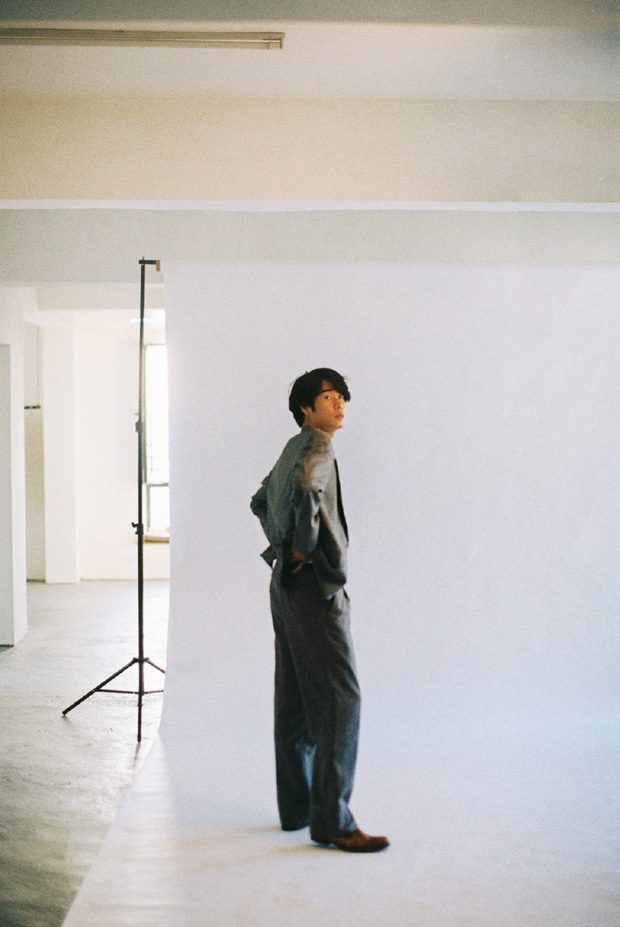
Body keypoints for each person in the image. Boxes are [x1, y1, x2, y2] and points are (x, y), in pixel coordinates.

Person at [250, 368, 389, 853]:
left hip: (284, 588)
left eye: (341, 397)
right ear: (306, 409)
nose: (339, 405)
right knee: (340, 700)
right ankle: (332, 820)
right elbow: (310, 488)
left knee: (293, 703)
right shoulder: (318, 447)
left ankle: (297, 809)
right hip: (313, 587)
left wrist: (282, 549)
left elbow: (259, 500)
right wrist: (302, 547)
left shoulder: (291, 448)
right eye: (328, 398)